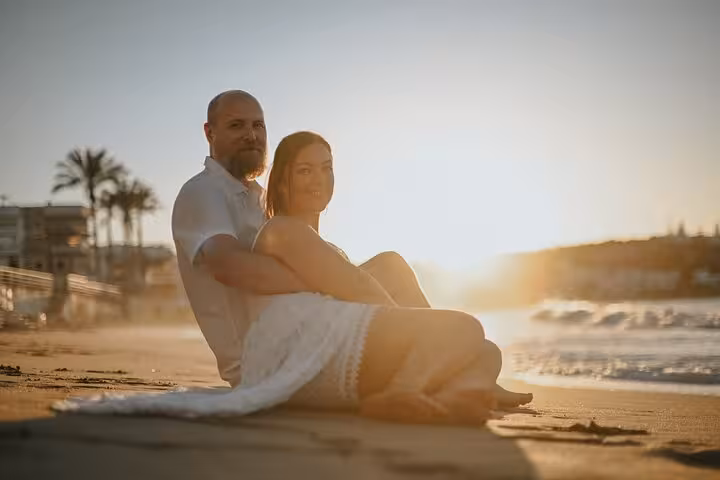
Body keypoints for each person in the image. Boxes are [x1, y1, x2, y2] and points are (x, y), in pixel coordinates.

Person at [54, 90, 530, 422]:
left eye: (258, 125)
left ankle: (457, 378)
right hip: (266, 350)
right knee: (463, 330)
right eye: (236, 126)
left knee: (396, 270)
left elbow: (307, 254)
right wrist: (326, 279)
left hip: (301, 325)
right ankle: (426, 367)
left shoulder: (257, 200)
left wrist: (330, 273)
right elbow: (230, 267)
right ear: (209, 133)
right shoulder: (202, 193)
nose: (251, 135)